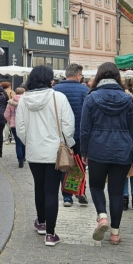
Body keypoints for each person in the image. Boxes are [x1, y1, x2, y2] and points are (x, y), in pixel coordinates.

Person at [16, 65, 75, 246]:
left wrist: (30, 142)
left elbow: (20, 129)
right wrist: (67, 143)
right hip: (55, 152)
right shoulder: (59, 97)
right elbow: (68, 125)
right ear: (50, 79)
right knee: (51, 191)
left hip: (34, 152)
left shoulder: (23, 100)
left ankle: (41, 223)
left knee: (38, 188)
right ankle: (51, 233)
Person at [80, 62, 133, 245]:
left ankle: (102, 217)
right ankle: (114, 234)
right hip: (122, 149)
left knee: (96, 185)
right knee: (116, 191)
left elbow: (84, 128)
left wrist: (84, 150)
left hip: (98, 148)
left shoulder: (91, 98)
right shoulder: (128, 99)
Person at [53, 63, 89, 207]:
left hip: (59, 135)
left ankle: (67, 197)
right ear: (78, 75)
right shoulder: (85, 90)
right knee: (80, 163)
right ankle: (80, 190)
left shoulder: (54, 90)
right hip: (79, 134)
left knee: (64, 163)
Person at [4, 87, 26, 167]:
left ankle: (20, 160)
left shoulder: (11, 102)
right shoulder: (26, 101)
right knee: (24, 141)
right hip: (24, 124)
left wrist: (10, 121)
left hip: (14, 124)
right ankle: (23, 157)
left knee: (18, 142)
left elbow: (6, 114)